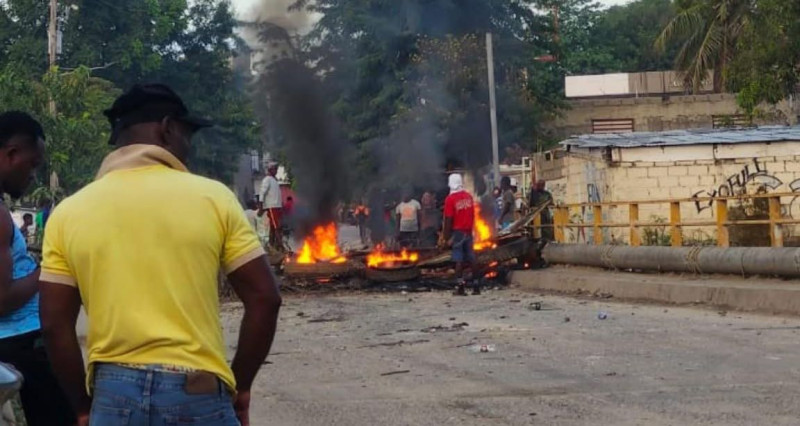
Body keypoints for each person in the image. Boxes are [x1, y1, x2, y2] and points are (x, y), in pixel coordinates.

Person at [38, 84, 282, 426]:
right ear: (167, 128)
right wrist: (239, 386)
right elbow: (265, 299)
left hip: (113, 395)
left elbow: (53, 323)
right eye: (188, 135)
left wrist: (81, 406)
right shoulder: (213, 199)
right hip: (198, 390)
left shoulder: (69, 213)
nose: (189, 147)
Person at [0, 112, 76, 425]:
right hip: (22, 344)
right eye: (32, 165)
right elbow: (2, 300)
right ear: (11, 154)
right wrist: (49, 269)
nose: (33, 175)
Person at [442, 173, 480, 296]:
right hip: (468, 231)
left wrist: (445, 237)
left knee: (458, 259)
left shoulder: (450, 199)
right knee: (472, 258)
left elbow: (448, 219)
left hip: (458, 232)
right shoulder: (468, 197)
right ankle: (476, 286)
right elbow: (473, 215)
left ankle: (460, 287)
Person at [259, 162, 283, 251]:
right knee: (276, 227)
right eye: (274, 169)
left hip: (277, 207)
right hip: (271, 207)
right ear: (270, 170)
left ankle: (272, 246)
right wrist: (261, 206)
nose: (276, 171)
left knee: (273, 228)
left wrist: (281, 205)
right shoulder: (267, 179)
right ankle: (281, 246)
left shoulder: (274, 180)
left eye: (276, 169)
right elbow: (262, 193)